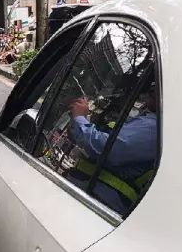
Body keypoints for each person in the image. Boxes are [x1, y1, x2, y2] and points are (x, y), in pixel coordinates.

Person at [65, 86, 158, 216]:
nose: (152, 88)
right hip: (88, 197)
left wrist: (80, 118)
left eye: (158, 85)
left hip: (95, 202)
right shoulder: (147, 122)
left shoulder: (154, 128)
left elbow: (106, 148)